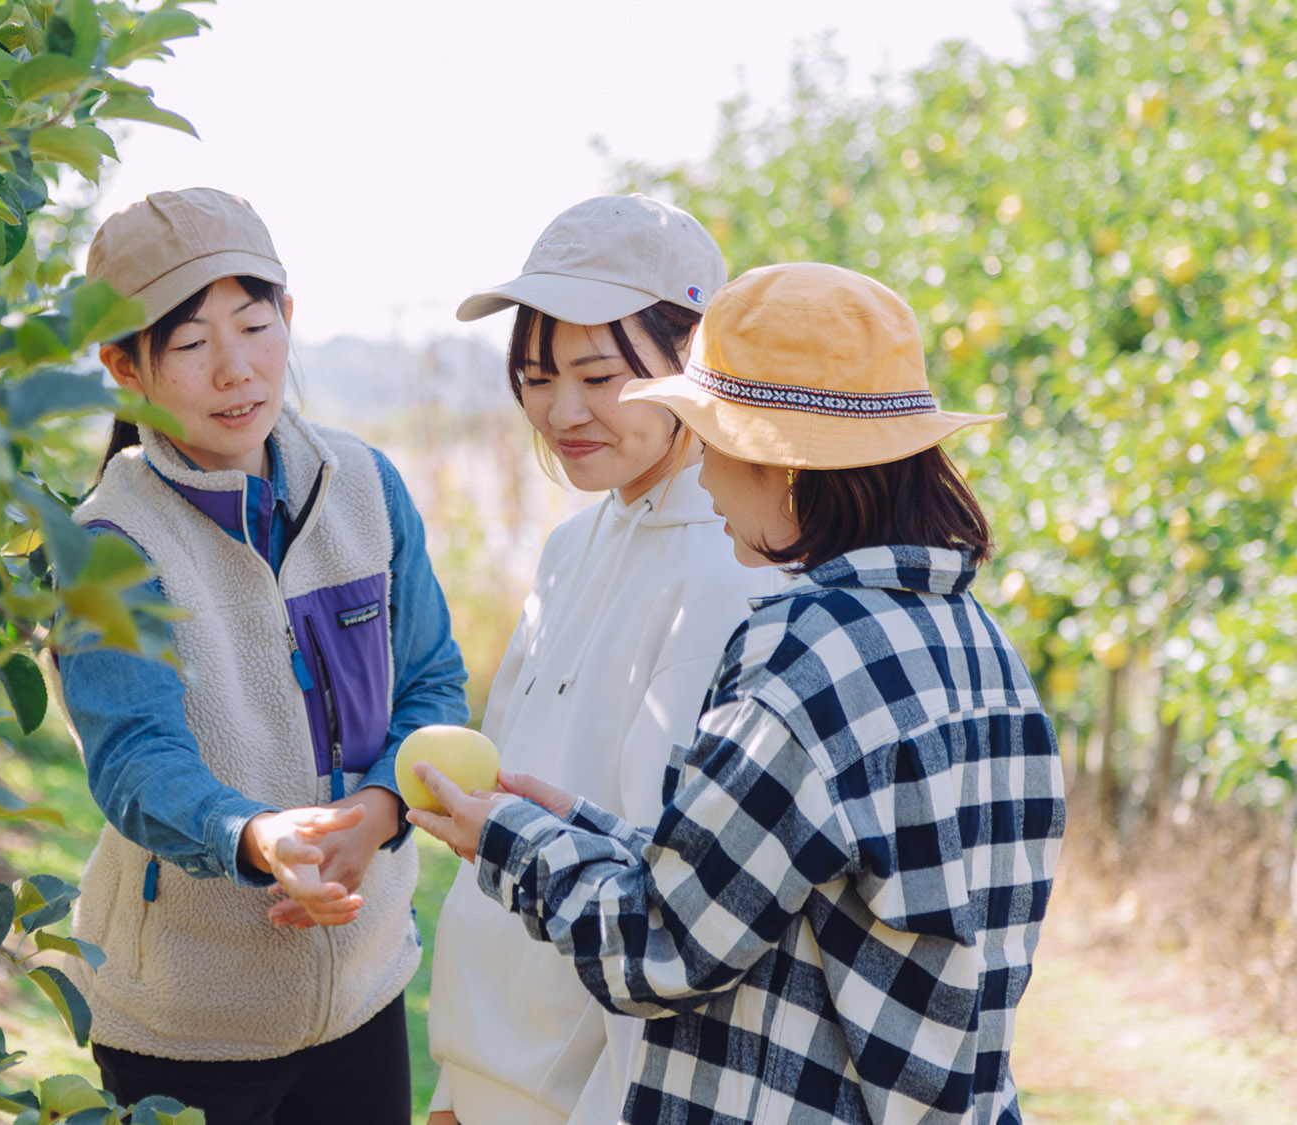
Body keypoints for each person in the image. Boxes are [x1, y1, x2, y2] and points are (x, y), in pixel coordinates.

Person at [409, 262, 1066, 1125]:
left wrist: (510, 842)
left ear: (784, 464)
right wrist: (586, 828)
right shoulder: (976, 645)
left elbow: (664, 948)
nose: (705, 475)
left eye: (712, 441)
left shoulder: (804, 648)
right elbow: (774, 882)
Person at [53, 187, 469, 1124]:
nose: (237, 370)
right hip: (185, 1022)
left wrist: (377, 806)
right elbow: (134, 763)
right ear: (125, 367)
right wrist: (256, 839)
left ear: (289, 316)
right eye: (193, 346)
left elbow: (433, 682)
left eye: (254, 324)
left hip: (362, 990)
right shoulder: (111, 542)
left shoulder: (365, 486)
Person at [426, 195, 786, 1125]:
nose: (562, 410)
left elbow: (671, 913)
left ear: (697, 359)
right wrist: (451, 1089)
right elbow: (503, 809)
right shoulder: (571, 547)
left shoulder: (723, 571)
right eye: (539, 376)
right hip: (484, 1083)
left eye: (598, 375)